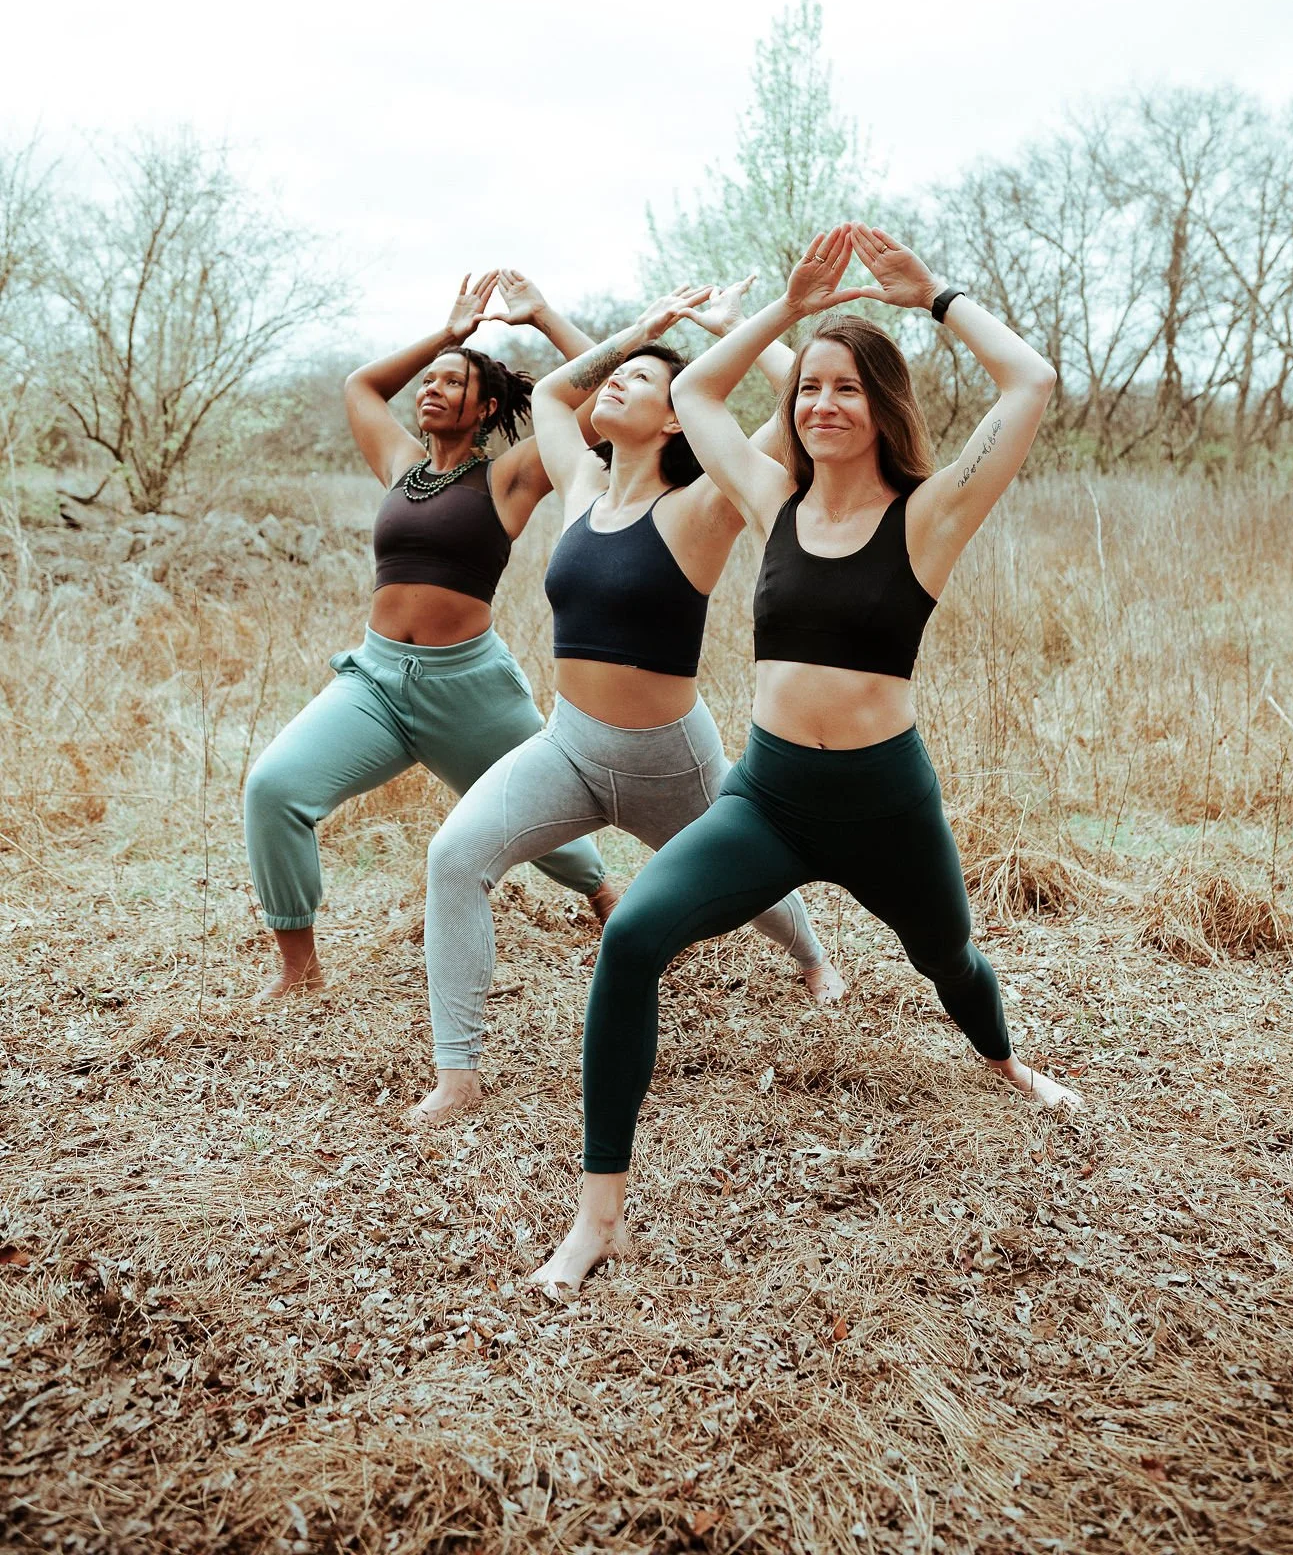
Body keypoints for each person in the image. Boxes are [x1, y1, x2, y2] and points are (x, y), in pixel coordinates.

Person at [532, 222, 1083, 1295]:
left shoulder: (930, 515)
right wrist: (783, 312)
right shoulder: (768, 497)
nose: (823, 403)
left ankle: (1007, 1059)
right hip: (770, 797)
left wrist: (934, 297)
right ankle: (599, 1214)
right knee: (635, 934)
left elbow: (1032, 378)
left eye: (846, 388)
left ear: (882, 407)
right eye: (809, 387)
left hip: (885, 803)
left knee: (949, 960)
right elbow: (694, 395)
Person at [414, 275, 845, 1123]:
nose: (615, 382)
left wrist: (763, 321)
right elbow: (552, 398)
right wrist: (627, 330)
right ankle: (457, 1076)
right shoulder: (579, 486)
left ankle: (813, 957)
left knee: (752, 884)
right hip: (566, 748)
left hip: (668, 761)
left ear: (680, 413)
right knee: (452, 860)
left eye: (643, 382)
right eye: (616, 374)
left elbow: (802, 412)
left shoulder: (703, 504)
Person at [243, 269, 614, 1002]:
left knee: (539, 820)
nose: (432, 389)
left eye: (453, 382)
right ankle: (299, 969)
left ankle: (607, 902)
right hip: (375, 684)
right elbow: (359, 387)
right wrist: (450, 335)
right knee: (273, 788)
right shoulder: (400, 466)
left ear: (488, 407)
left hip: (467, 687)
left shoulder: (511, 476)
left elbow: (615, 394)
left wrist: (543, 320)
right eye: (430, 381)